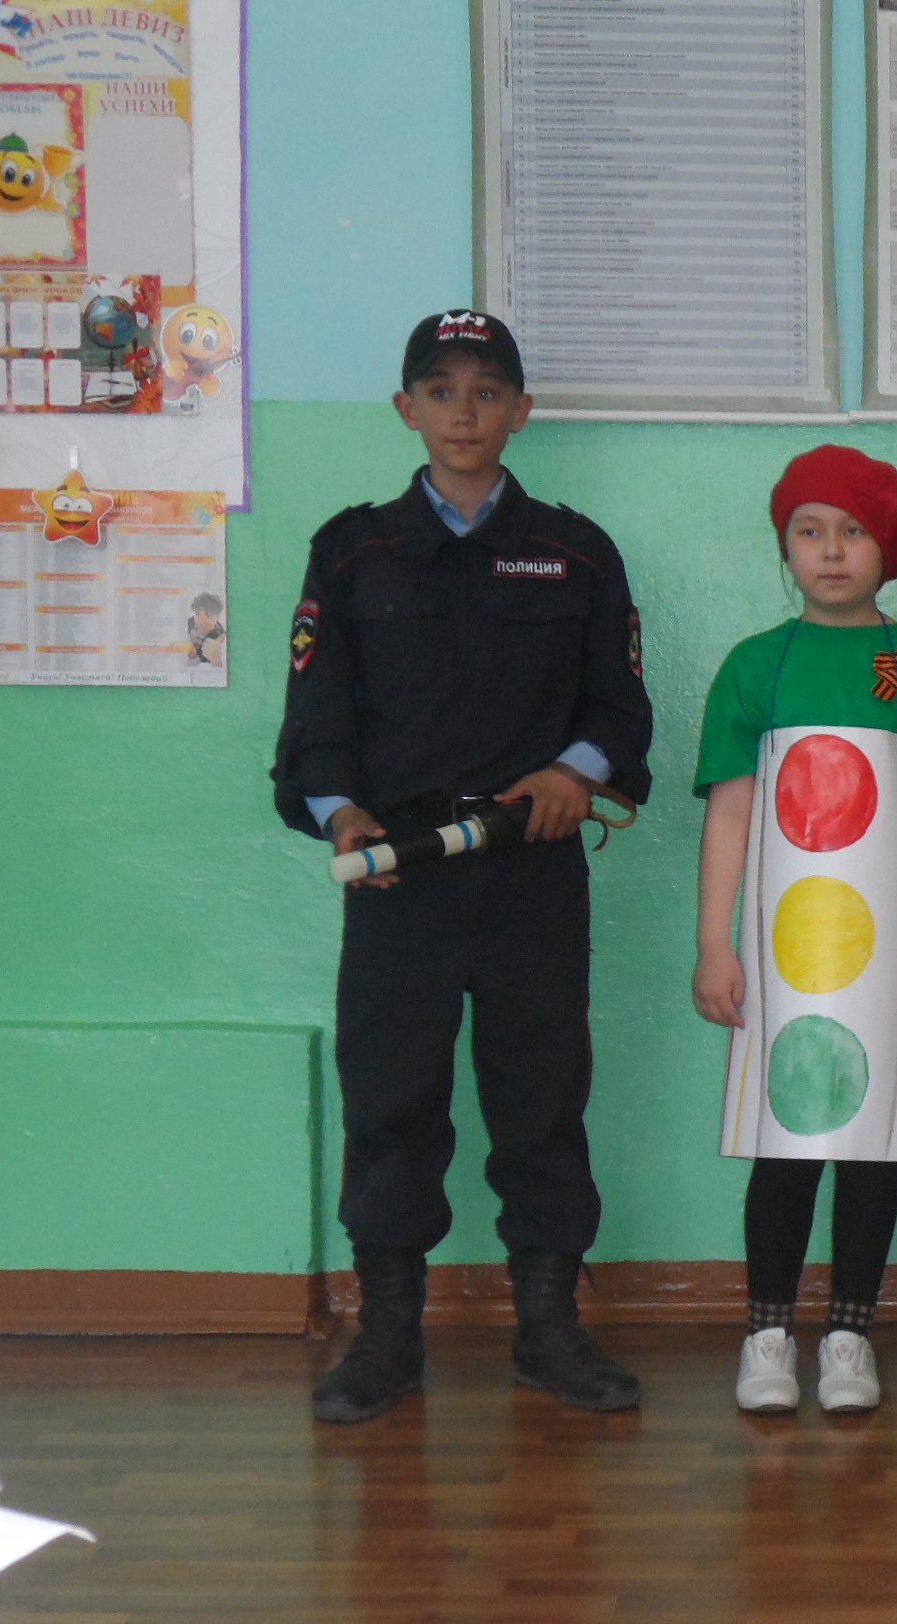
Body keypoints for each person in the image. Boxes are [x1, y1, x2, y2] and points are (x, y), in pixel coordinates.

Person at [271, 308, 653, 1423]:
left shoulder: (577, 551)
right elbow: (317, 716)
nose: (465, 413)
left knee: (543, 1099)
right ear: (407, 408)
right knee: (391, 1101)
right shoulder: (355, 550)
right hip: (400, 875)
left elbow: (619, 707)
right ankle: (389, 1337)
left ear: (521, 411)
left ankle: (548, 1330)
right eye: (441, 391)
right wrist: (343, 818)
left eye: (487, 392)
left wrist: (574, 774)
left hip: (532, 874)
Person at [692, 445, 897, 1417]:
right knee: (785, 1142)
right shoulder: (755, 666)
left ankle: (852, 1333)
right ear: (785, 546)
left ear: (887, 547)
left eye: (853, 531)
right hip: (784, 959)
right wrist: (715, 943)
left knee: (872, 1139)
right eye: (809, 531)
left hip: (892, 958)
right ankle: (768, 1333)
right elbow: (730, 814)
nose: (830, 550)